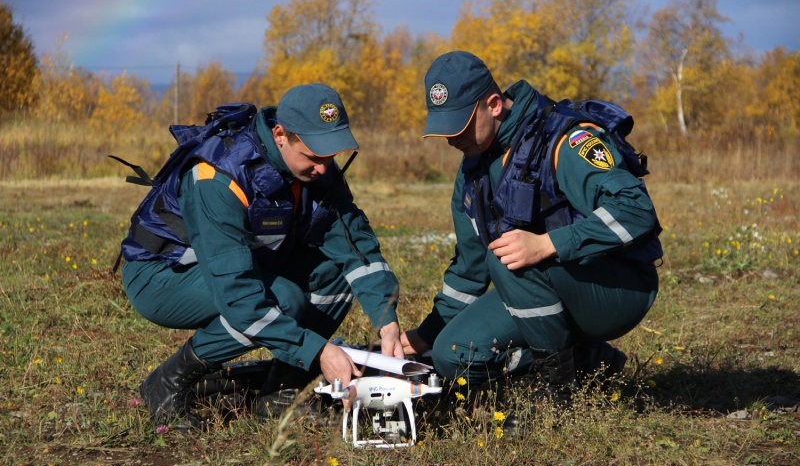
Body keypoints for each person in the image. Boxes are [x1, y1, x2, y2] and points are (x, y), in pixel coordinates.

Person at [122, 83, 403, 427]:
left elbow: (354, 245)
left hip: (248, 263)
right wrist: (317, 350)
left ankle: (282, 393)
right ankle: (166, 382)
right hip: (161, 276)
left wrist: (386, 319)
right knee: (282, 298)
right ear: (280, 134)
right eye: (314, 156)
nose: (323, 169)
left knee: (335, 271)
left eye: (331, 156)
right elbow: (240, 296)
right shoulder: (218, 176)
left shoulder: (317, 170)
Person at [400, 51, 662, 404]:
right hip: (537, 288)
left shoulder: (565, 141)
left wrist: (547, 244)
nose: (451, 139)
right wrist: (427, 335)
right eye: (444, 128)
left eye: (459, 126)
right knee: (452, 356)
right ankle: (587, 360)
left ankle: (558, 392)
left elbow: (637, 211)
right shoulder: (471, 173)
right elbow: (469, 269)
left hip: (617, 289)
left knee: (509, 255)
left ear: (493, 104)